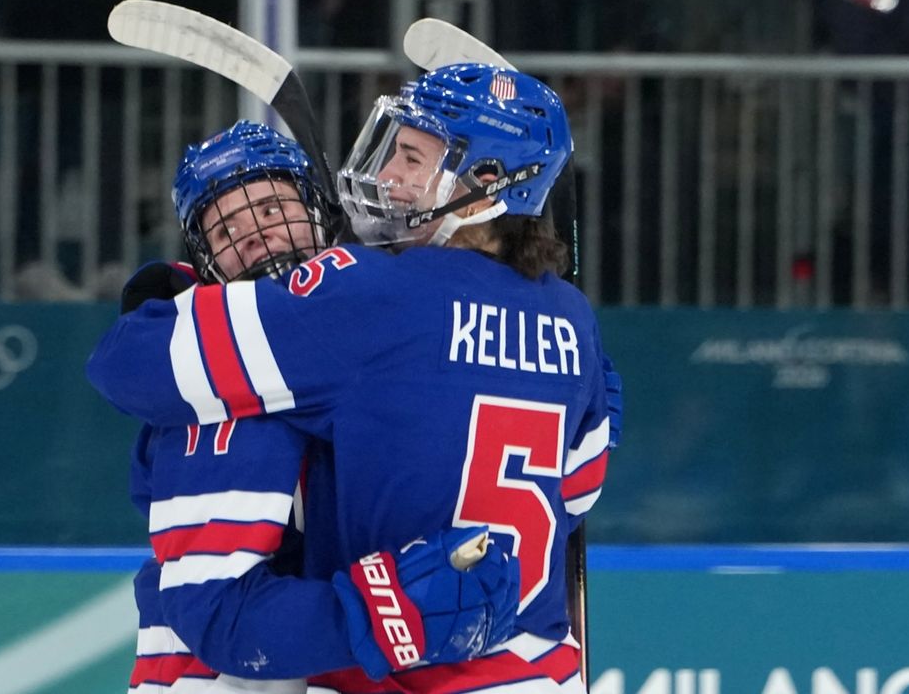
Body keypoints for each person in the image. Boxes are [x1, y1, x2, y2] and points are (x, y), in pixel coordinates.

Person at [91, 65, 613, 693]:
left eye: (412, 158)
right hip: (540, 674)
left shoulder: (371, 293)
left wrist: (178, 299)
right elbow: (579, 489)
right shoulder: (570, 319)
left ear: (485, 184)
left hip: (399, 676)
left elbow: (129, 366)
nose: (388, 175)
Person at [122, 120, 519, 693]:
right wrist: (390, 611)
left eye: (268, 210)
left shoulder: (349, 341)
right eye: (225, 227)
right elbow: (215, 613)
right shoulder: (215, 389)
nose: (253, 236)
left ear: (319, 215)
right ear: (205, 259)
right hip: (210, 678)